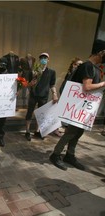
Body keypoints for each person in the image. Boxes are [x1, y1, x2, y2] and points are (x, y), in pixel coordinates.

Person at [49, 39, 105, 171]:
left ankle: (70, 155)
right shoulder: (88, 66)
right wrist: (103, 84)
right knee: (71, 132)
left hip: (83, 108)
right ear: (101, 52)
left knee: (78, 132)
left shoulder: (95, 68)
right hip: (77, 107)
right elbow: (87, 86)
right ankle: (55, 154)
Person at [24, 52, 58, 141]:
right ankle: (27, 131)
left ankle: (37, 131)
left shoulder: (51, 72)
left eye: (45, 58)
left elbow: (52, 85)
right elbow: (27, 84)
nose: (44, 59)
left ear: (48, 60)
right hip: (33, 95)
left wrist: (54, 94)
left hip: (44, 96)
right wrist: (30, 84)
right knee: (29, 112)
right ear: (39, 60)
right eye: (42, 58)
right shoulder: (33, 71)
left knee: (41, 114)